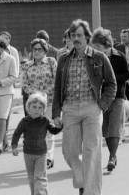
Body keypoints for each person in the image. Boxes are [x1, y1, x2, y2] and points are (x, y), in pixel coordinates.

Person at [52, 19, 117, 195]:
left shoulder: (99, 57)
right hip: (70, 109)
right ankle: (81, 178)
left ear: (87, 37)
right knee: (69, 151)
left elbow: (111, 84)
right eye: (73, 35)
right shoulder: (64, 59)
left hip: (91, 108)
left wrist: (101, 106)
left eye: (79, 35)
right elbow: (58, 87)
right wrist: (56, 113)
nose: (76, 38)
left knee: (92, 151)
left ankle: (91, 192)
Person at [91, 28, 129, 172]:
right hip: (100, 98)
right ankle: (111, 154)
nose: (96, 50)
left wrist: (111, 79)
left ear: (107, 44)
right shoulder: (93, 59)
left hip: (117, 96)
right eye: (94, 47)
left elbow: (126, 74)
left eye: (98, 47)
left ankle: (112, 157)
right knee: (105, 129)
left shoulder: (119, 56)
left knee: (114, 127)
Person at [12, 92, 62, 195]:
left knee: (40, 177)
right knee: (31, 178)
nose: (37, 110)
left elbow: (53, 131)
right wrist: (14, 146)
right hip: (28, 154)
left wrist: (61, 126)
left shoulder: (45, 121)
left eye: (40, 108)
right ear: (28, 107)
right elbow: (16, 134)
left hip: (41, 154)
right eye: (34, 107)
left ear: (43, 110)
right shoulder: (24, 121)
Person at [20, 38, 57, 169]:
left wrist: (45, 93)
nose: (36, 52)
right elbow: (24, 83)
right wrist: (36, 95)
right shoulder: (27, 66)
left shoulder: (51, 62)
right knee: (37, 131)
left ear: (45, 50)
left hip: (50, 101)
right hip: (34, 103)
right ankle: (40, 155)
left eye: (39, 49)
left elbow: (56, 80)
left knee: (48, 130)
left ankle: (49, 157)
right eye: (34, 49)